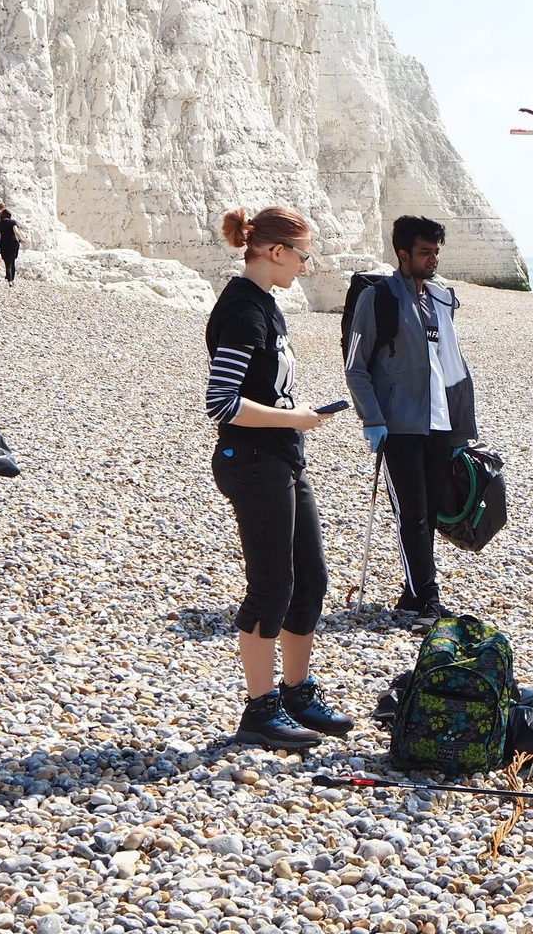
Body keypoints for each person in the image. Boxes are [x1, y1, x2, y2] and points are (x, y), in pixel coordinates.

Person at [204, 205, 355, 750]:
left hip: (282, 456)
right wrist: (296, 417)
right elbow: (221, 403)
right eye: (303, 255)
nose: (305, 266)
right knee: (271, 586)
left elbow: (263, 390)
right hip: (252, 460)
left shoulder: (266, 305)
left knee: (309, 579)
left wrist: (295, 418)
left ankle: (296, 693)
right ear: (274, 252)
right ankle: (259, 707)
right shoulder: (242, 310)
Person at [343, 216, 479, 626]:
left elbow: (450, 366)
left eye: (436, 251)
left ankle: (412, 594)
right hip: (398, 425)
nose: (432, 259)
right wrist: (372, 420)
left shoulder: (438, 299)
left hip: (438, 424)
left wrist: (460, 426)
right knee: (412, 514)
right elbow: (356, 366)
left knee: (432, 513)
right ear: (403, 255)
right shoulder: (379, 298)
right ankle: (427, 598)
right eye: (424, 252)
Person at [0, 206, 24, 284]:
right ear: (9, 215)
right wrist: (21, 239)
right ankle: (12, 279)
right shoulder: (12, 222)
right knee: (12, 261)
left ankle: (9, 279)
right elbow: (16, 232)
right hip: (13, 243)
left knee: (7, 262)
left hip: (3, 243)